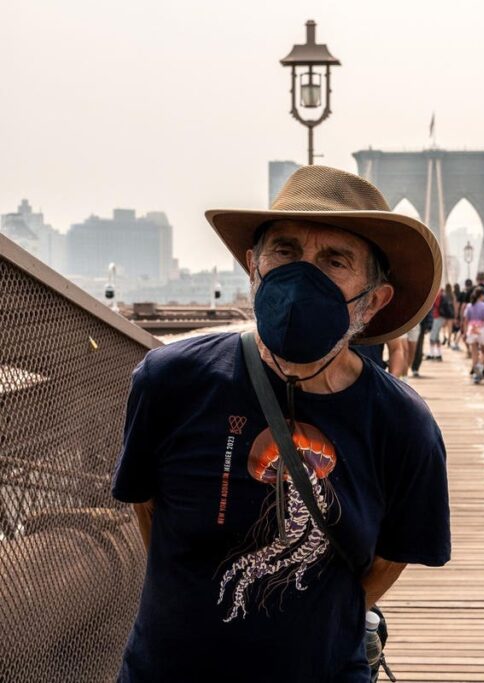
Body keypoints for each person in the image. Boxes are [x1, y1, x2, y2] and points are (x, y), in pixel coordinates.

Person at [111, 165, 451, 682]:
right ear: (254, 267)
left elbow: (389, 558)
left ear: (375, 299)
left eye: (334, 260)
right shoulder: (172, 381)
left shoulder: (402, 424)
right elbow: (148, 509)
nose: (301, 278)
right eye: (285, 252)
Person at [462, 286, 484, 384]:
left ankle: (475, 373)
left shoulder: (469, 306)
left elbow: (466, 320)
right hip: (481, 329)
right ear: (481, 295)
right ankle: (480, 367)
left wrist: (465, 332)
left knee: (474, 352)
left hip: (471, 329)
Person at [426, 288, 444, 361]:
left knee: (432, 338)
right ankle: (438, 354)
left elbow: (434, 305)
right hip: (438, 317)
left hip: (437, 317)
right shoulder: (441, 293)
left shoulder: (437, 295)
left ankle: (432, 354)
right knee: (436, 338)